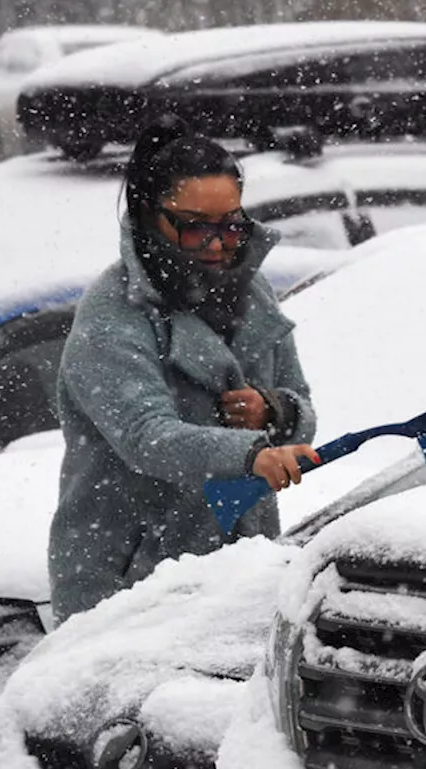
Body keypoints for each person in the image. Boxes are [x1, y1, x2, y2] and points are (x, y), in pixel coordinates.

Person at [48, 114, 318, 623]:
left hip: (240, 573)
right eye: (196, 228)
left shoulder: (251, 293)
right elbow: (145, 436)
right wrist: (250, 454)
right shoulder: (114, 312)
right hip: (128, 582)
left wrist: (274, 411)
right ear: (152, 218)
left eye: (232, 226)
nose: (218, 245)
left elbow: (299, 402)